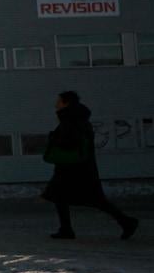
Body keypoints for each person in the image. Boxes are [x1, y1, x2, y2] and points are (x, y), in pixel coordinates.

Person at [42, 91, 140, 240]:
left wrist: (54, 139)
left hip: (73, 167)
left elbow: (69, 142)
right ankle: (67, 229)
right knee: (65, 196)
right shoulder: (78, 118)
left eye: (59, 101)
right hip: (79, 166)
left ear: (66, 102)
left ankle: (126, 222)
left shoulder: (70, 119)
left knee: (78, 197)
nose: (56, 103)